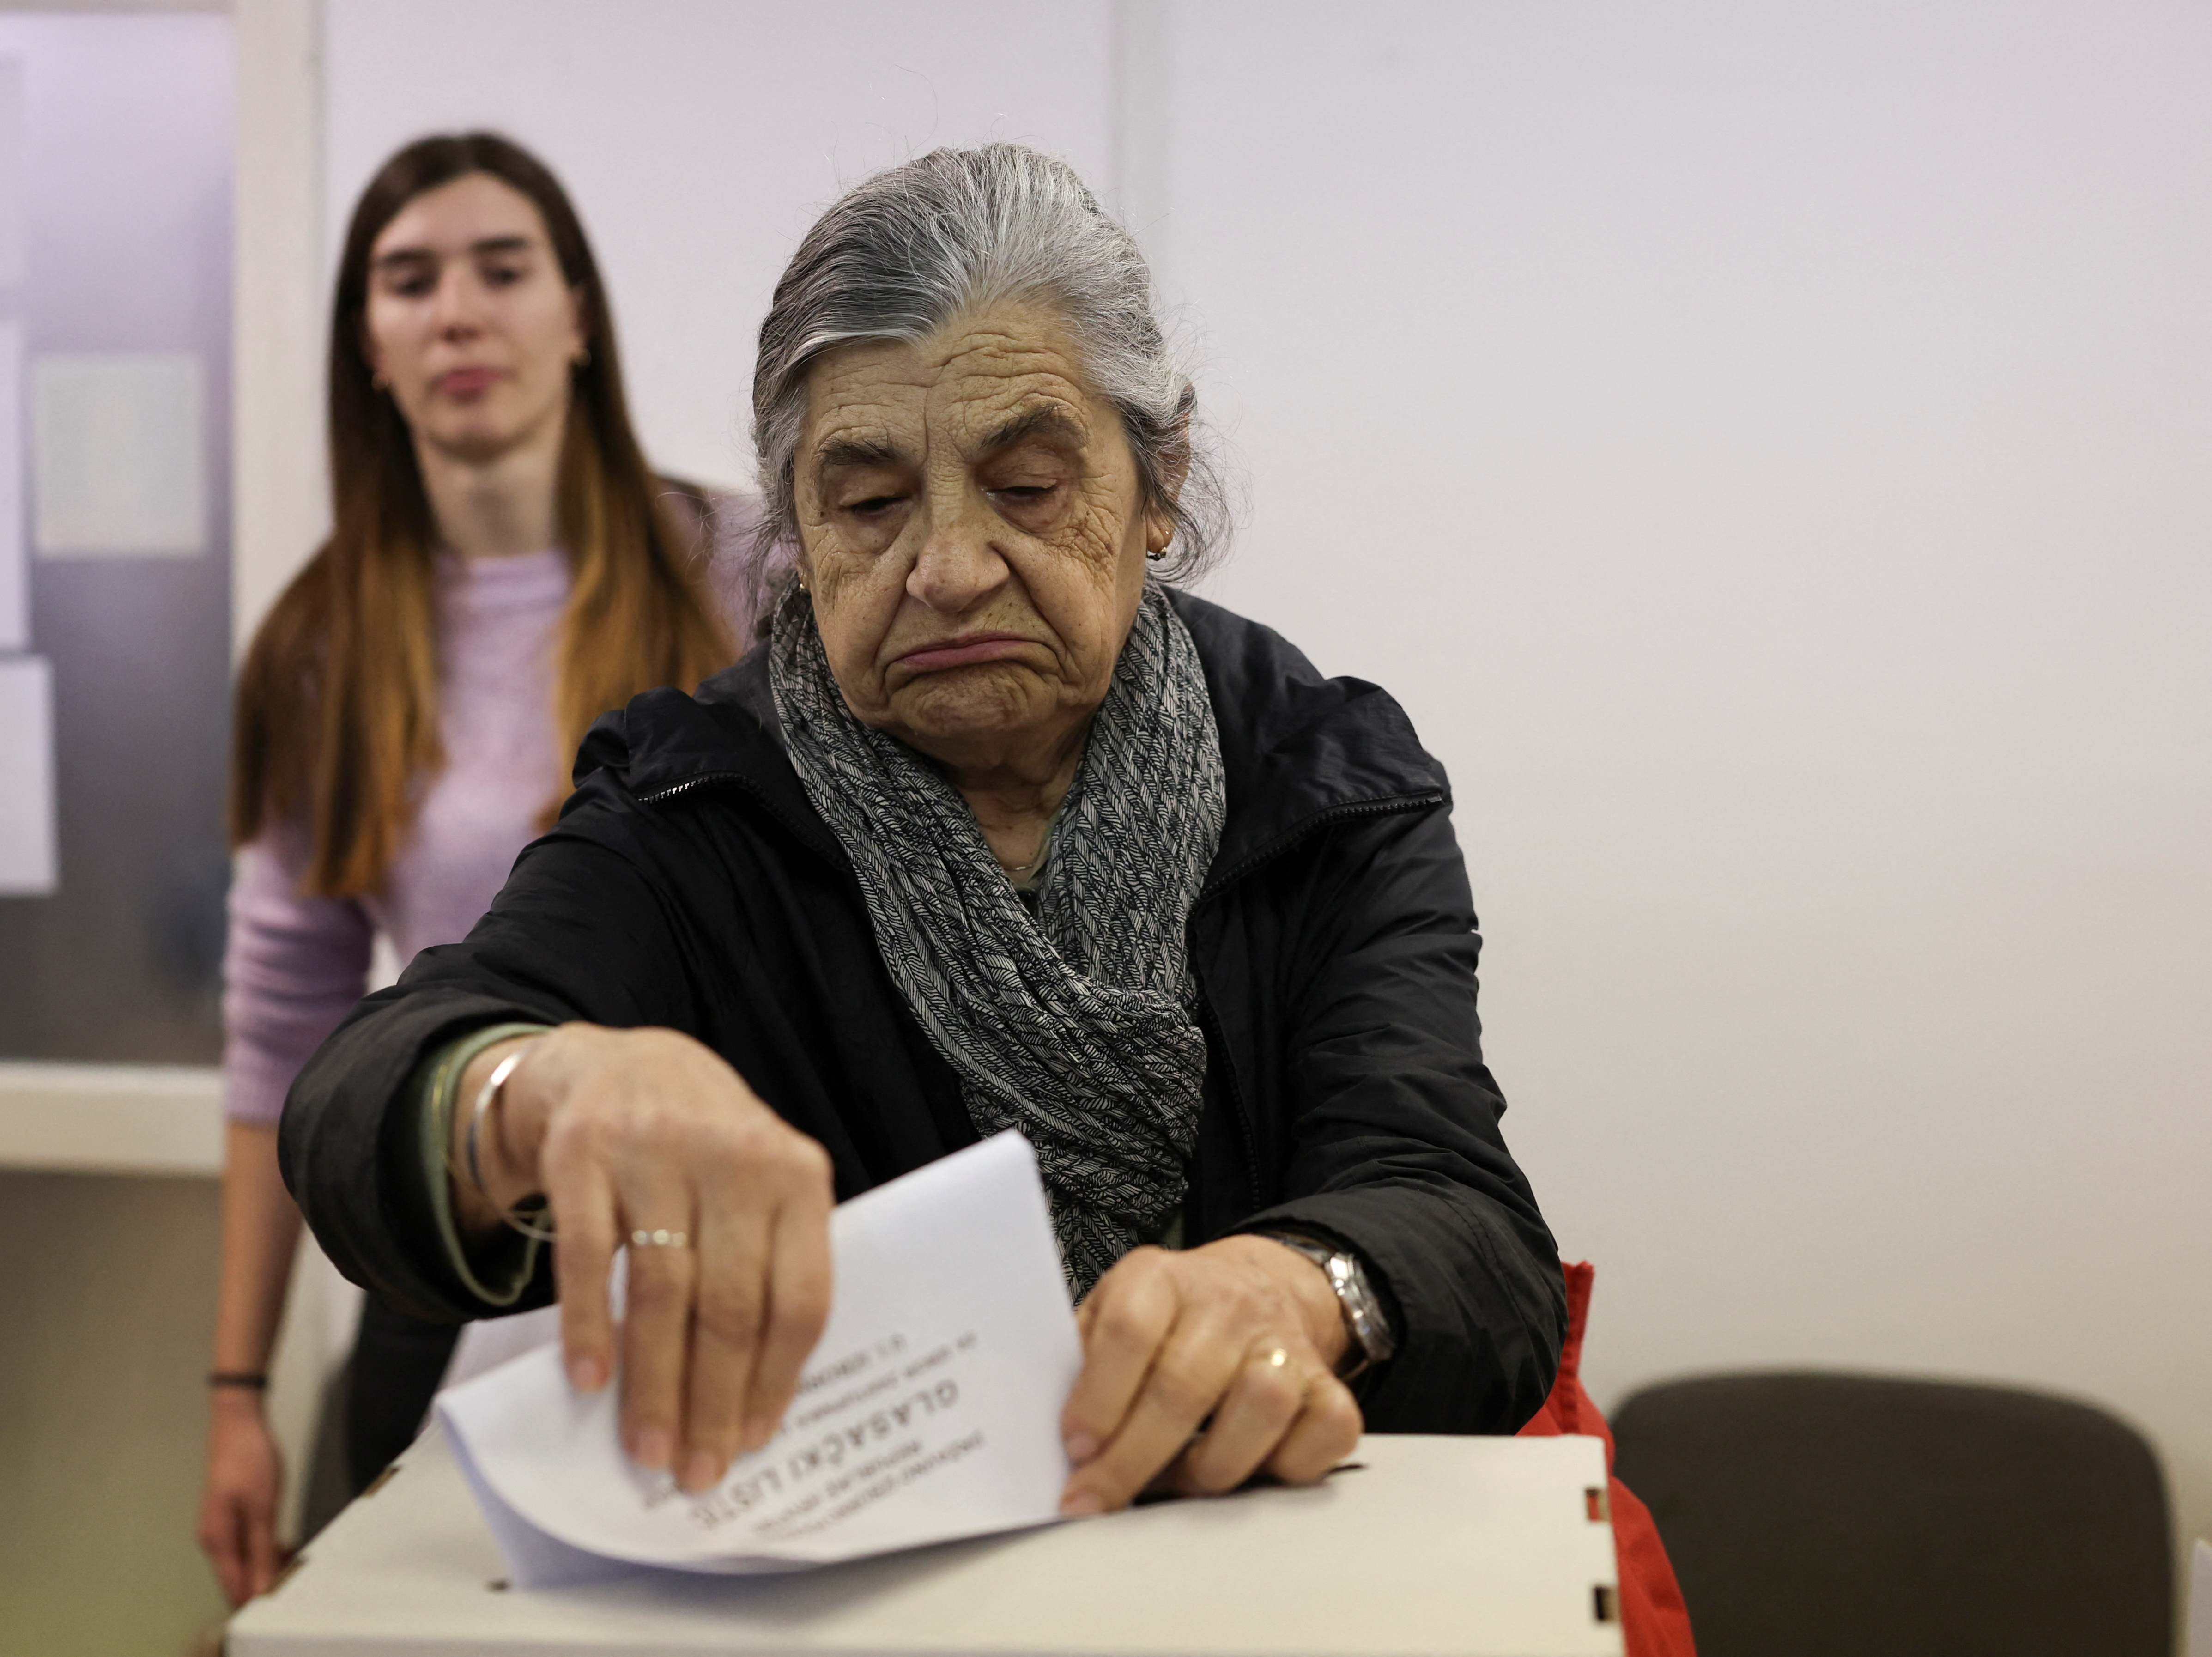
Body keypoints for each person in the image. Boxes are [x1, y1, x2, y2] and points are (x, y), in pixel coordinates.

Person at [279, 143, 1565, 1516]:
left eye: (1025, 487)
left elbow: (1462, 1220)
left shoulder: (1321, 780)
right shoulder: (699, 800)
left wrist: (1304, 1285)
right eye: (872, 504)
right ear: (797, 528)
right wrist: (528, 1093)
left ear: (1160, 480)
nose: (947, 570)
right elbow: (358, 1097)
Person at [197, 131, 740, 1607]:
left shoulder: (746, 570)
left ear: (577, 315)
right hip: (462, 1268)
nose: (457, 312)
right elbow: (282, 1048)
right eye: (407, 279)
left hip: (749, 1245)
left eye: (503, 270)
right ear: (366, 344)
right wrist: (236, 1390)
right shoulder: (319, 650)